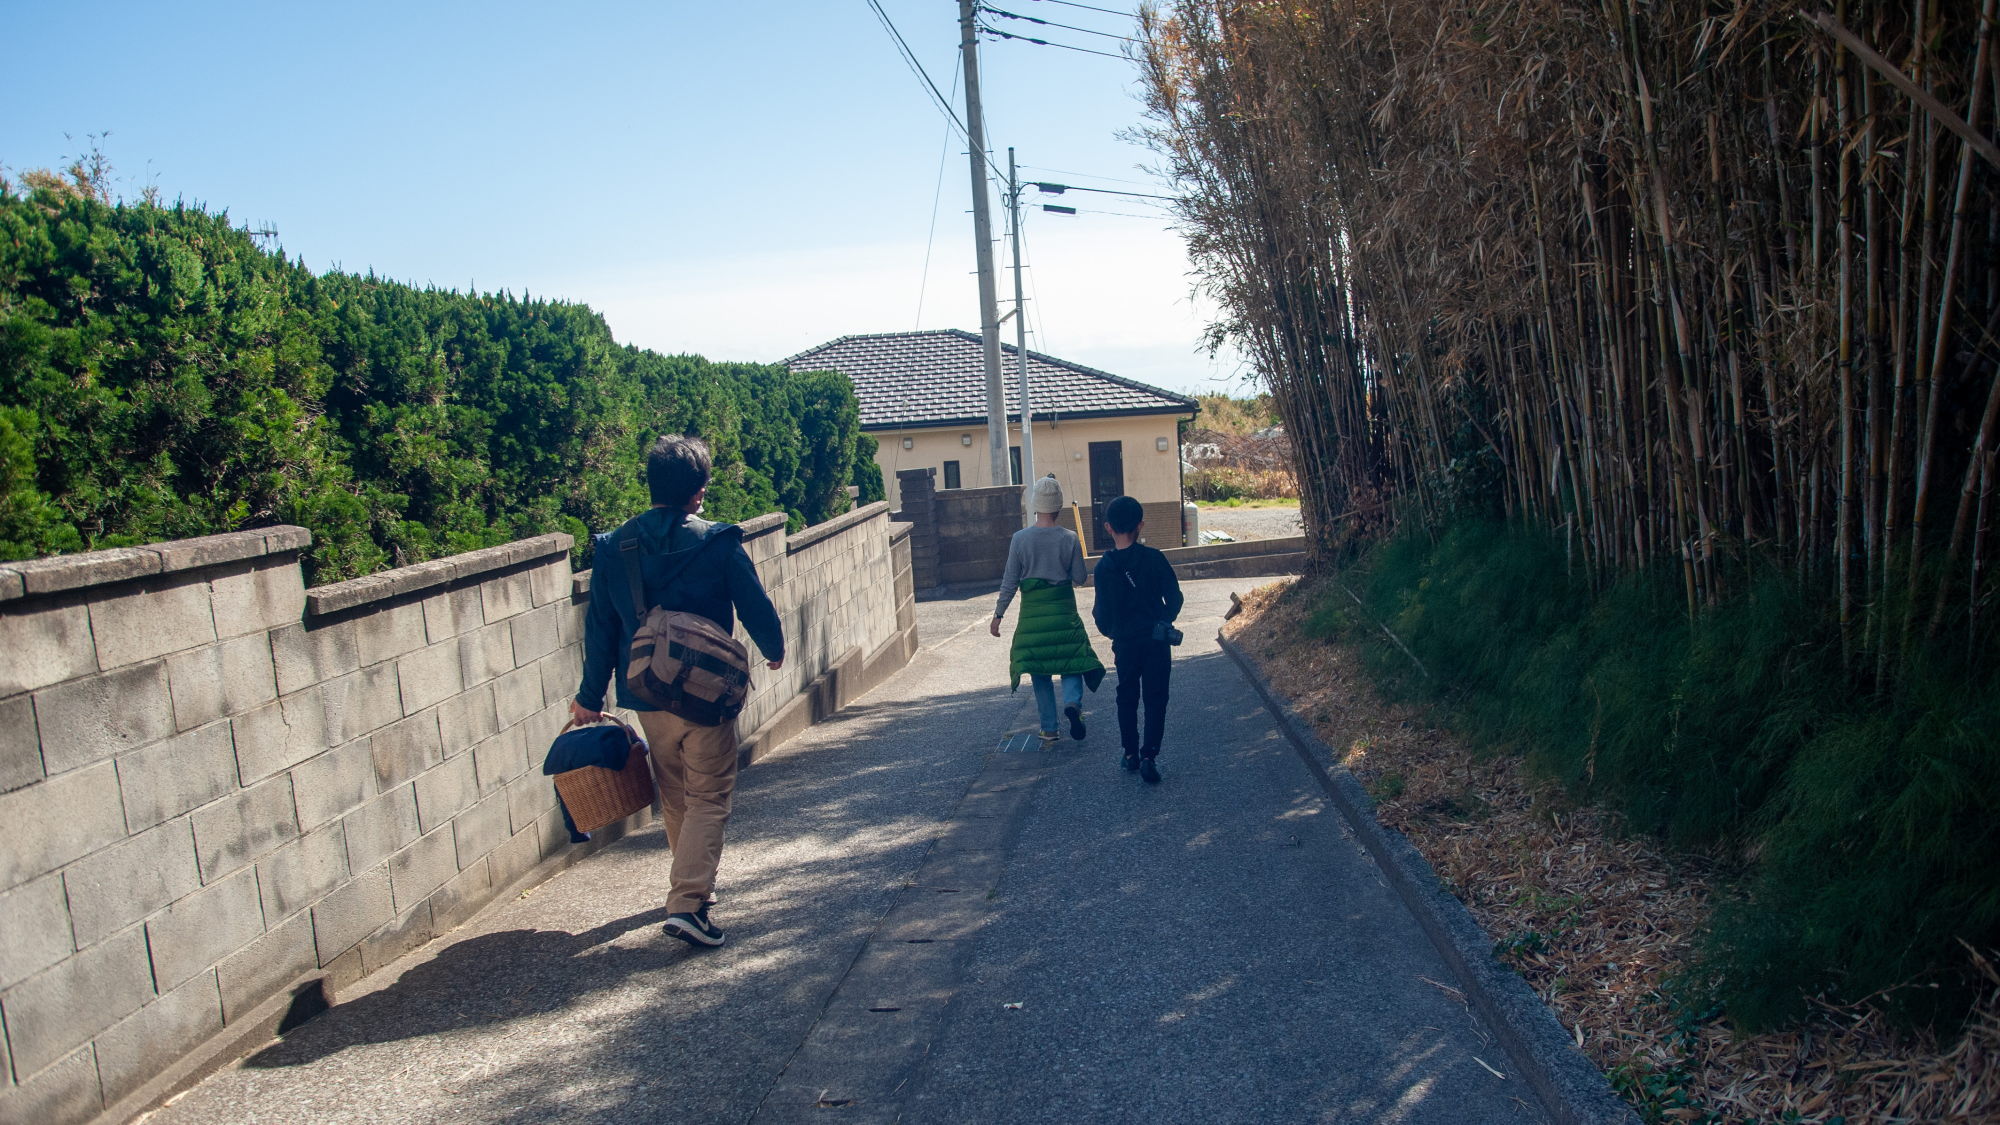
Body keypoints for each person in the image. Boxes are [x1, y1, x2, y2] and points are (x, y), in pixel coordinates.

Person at [573, 434, 784, 949]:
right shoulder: (717, 542)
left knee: (676, 795)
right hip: (708, 695)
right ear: (698, 492)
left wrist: (589, 696)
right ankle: (688, 903)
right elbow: (753, 601)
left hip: (647, 693)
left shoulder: (615, 547)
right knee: (709, 795)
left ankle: (690, 889)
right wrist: (773, 646)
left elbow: (600, 627)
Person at [991, 475, 1104, 743]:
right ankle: (1073, 703)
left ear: (1035, 506)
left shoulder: (1020, 539)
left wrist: (998, 615)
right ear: (1058, 506)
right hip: (1063, 612)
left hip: (1033, 616)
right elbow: (1079, 577)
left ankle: (1049, 728)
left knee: (1040, 671)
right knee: (1072, 661)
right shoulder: (1069, 538)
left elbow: (1010, 581)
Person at [1091, 495, 1183, 783]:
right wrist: (1164, 621)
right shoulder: (1154, 558)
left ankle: (1130, 753)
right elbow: (1175, 598)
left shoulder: (1104, 568)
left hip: (1126, 642)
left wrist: (1113, 633)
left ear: (1108, 527)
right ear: (1141, 524)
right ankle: (1149, 755)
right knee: (1156, 698)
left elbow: (1101, 613)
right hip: (1156, 640)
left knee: (1127, 696)